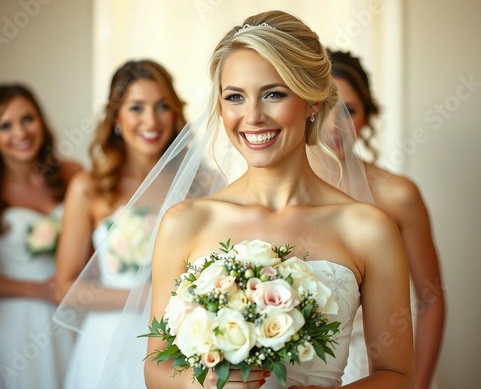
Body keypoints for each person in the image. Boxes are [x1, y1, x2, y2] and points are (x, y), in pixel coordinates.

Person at [144, 10, 414, 389]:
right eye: (234, 97)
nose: (252, 117)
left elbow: (398, 376)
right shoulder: (186, 222)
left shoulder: (368, 228)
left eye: (273, 94)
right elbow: (156, 366)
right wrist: (205, 385)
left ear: (313, 102)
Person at [53, 59, 186, 389]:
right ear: (116, 116)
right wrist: (143, 296)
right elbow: (65, 287)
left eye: (162, 106)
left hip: (179, 337)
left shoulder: (198, 183)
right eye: (136, 108)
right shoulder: (90, 187)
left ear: (175, 113)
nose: (151, 121)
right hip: (107, 341)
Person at [327, 50, 445, 389]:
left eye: (349, 110)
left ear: (368, 114)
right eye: (325, 108)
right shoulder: (278, 195)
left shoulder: (398, 195)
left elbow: (431, 298)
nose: (337, 125)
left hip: (378, 369)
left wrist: (418, 384)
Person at [0, 84, 82, 388]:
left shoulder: (71, 173)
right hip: (18, 318)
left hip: (73, 307)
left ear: (41, 121)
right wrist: (37, 290)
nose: (20, 133)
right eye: (5, 125)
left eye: (27, 119)